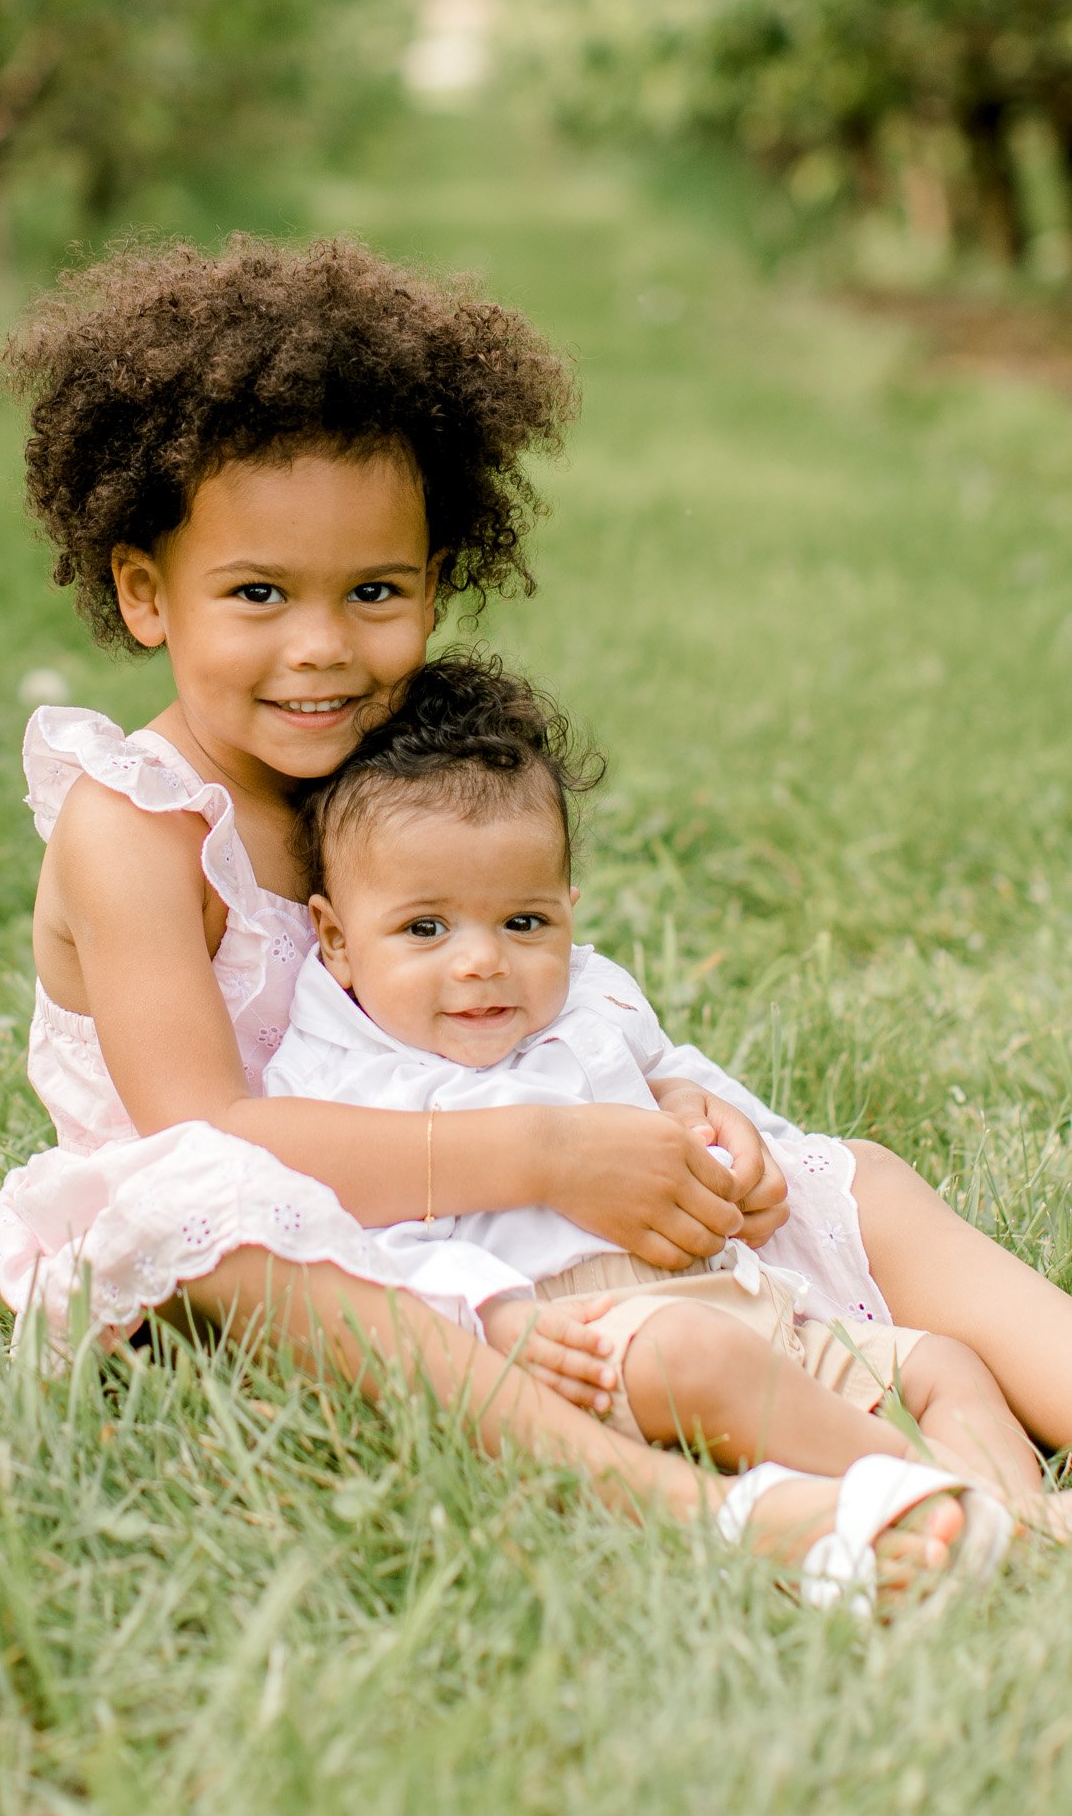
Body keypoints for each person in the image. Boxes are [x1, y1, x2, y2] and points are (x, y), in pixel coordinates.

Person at [0, 236, 1046, 1603]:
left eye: (376, 593)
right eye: (257, 595)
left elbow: (523, 977)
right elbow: (207, 1131)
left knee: (851, 1181)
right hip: (278, 1249)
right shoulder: (132, 820)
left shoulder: (376, 763)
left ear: (437, 577)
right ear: (143, 593)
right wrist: (545, 1153)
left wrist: (662, 1109)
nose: (321, 649)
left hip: (494, 1175)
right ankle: (700, 1512)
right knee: (221, 1217)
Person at [264, 656, 1061, 1537]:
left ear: (567, 909)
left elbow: (683, 1078)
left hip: (751, 1300)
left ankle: (1021, 1508)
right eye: (425, 928)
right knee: (695, 1353)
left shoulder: (588, 997)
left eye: (524, 922)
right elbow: (353, 1242)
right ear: (335, 939)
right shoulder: (348, 1077)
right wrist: (495, 1318)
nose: (482, 959)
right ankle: (939, 1497)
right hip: (598, 1338)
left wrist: (740, 1141)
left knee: (941, 1362)